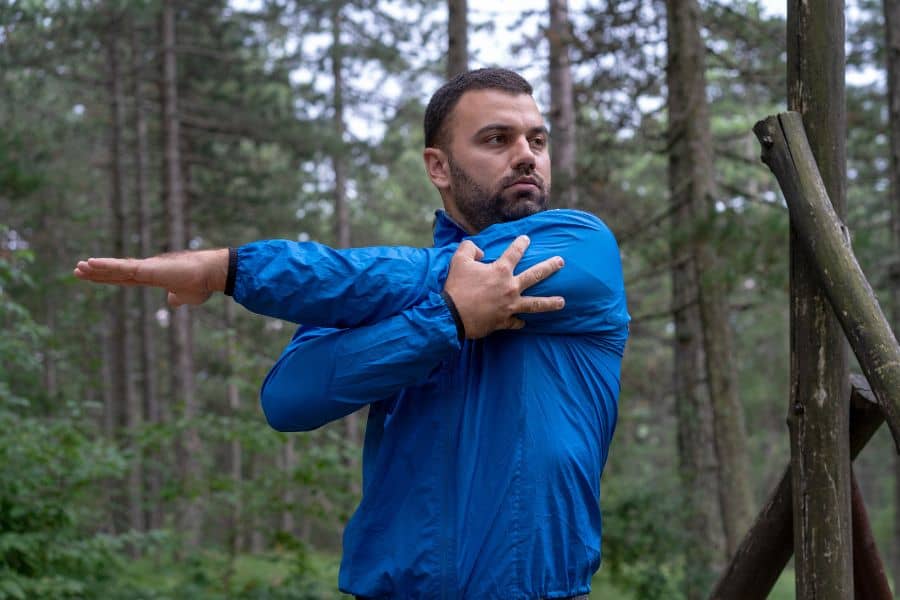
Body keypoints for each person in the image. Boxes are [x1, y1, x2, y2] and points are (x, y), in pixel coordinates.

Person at [74, 68, 629, 599]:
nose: (526, 155)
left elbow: (407, 275)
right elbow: (288, 399)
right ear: (438, 166)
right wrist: (448, 320)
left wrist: (229, 270)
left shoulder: (584, 247)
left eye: (537, 139)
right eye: (496, 139)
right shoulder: (377, 294)